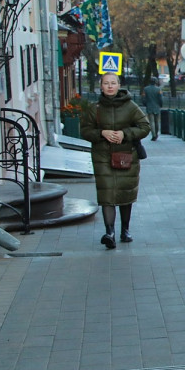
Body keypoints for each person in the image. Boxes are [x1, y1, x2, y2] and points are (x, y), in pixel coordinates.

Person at [79, 72, 151, 249]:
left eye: (113, 83)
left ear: (119, 85)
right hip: (102, 157)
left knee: (125, 194)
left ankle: (125, 230)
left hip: (126, 157)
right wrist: (101, 133)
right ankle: (109, 232)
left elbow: (145, 127)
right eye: (106, 83)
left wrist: (124, 134)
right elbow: (85, 130)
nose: (110, 86)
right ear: (101, 86)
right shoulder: (94, 108)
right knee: (107, 194)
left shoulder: (131, 107)